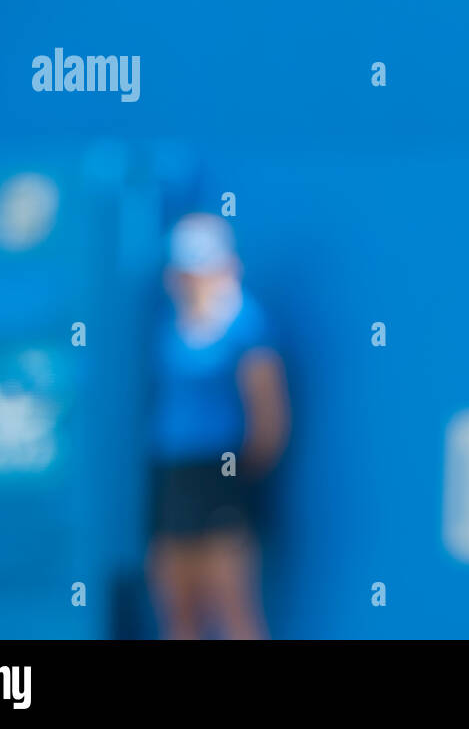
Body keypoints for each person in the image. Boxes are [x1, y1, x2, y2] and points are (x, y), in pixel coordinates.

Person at [146, 212, 290, 639]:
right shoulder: (168, 327)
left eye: (205, 268)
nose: (194, 280)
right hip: (173, 478)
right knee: (178, 611)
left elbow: (269, 420)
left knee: (234, 610)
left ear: (228, 266)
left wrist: (234, 477)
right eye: (187, 271)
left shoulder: (248, 325)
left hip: (221, 477)